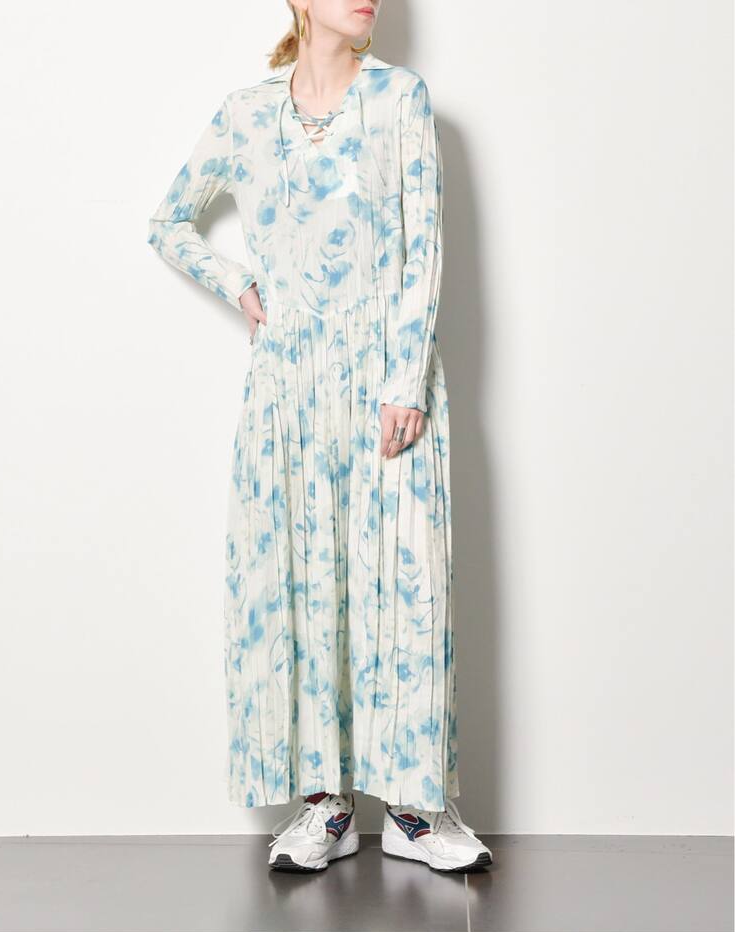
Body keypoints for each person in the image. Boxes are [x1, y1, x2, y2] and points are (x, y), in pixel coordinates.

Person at [146, 0, 492, 874]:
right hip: (288, 390)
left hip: (386, 381)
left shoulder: (401, 98)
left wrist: (404, 379)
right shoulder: (245, 113)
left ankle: (415, 808)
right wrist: (238, 283)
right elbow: (167, 221)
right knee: (301, 584)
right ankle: (323, 804)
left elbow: (424, 247)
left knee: (404, 587)